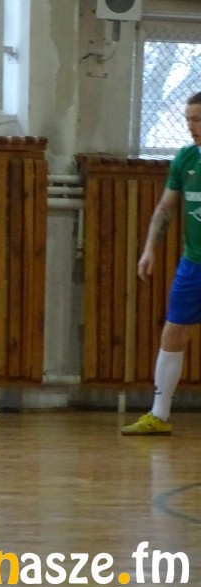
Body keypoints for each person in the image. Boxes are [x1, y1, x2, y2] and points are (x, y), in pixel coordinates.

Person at [121, 91, 201, 435]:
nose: (192, 126)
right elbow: (166, 207)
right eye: (188, 120)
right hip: (193, 263)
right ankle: (159, 415)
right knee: (173, 332)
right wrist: (149, 249)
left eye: (198, 119)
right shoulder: (186, 159)